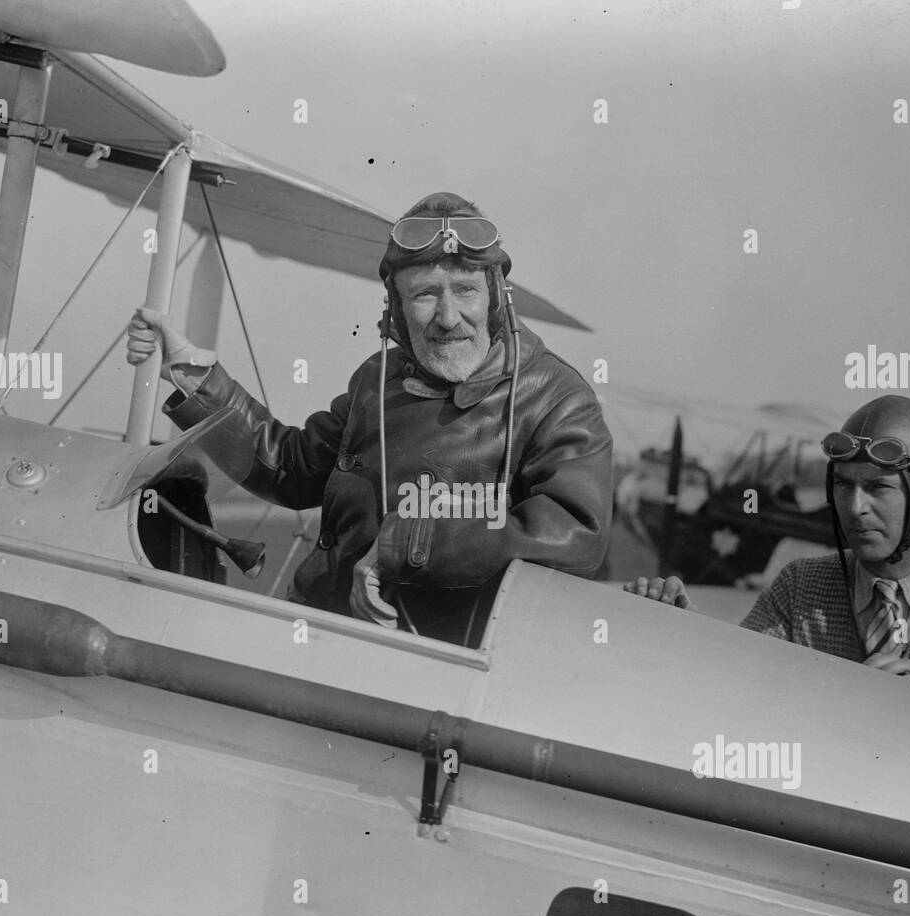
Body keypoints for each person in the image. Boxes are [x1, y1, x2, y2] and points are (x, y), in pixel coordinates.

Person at [127, 192, 613, 644]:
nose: (448, 317)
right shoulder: (379, 380)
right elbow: (292, 470)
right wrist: (193, 372)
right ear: (396, 309)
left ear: (496, 297)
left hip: (433, 668)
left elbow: (574, 537)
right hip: (319, 633)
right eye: (424, 294)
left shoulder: (556, 399)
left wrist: (403, 544)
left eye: (464, 290)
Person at [628, 396, 910, 726]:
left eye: (878, 488)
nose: (855, 507)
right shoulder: (800, 586)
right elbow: (739, 702)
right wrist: (680, 637)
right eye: (844, 486)